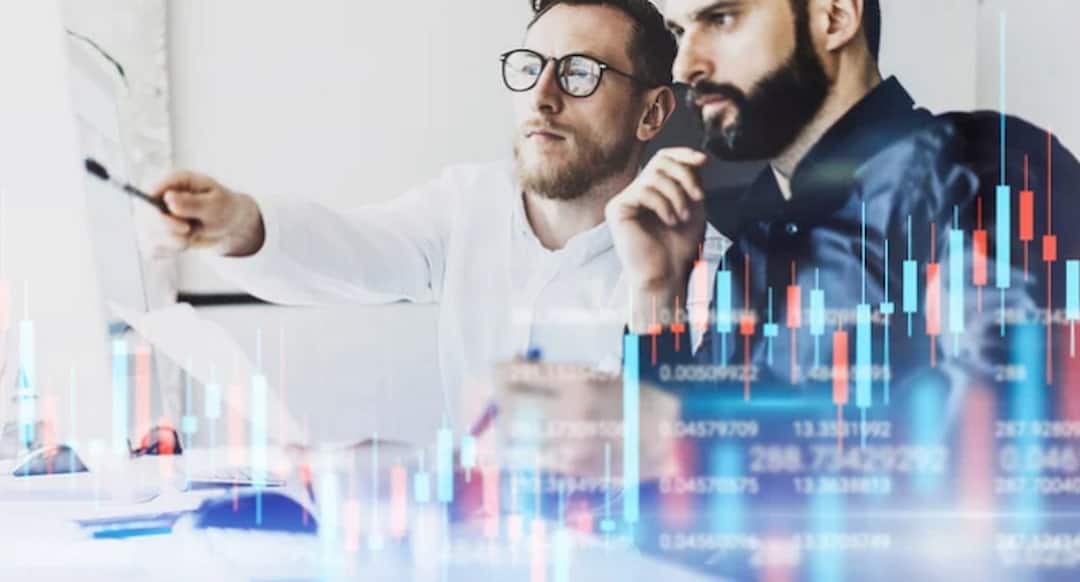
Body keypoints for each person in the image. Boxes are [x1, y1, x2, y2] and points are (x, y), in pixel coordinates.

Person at [522, 0, 1080, 478]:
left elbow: (1003, 472)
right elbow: (681, 500)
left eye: (722, 18)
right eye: (678, 31)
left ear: (834, 17)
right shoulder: (751, 252)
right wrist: (656, 293)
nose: (686, 64)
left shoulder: (983, 168)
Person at [145, 0, 715, 435]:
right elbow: (352, 248)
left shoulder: (702, 263)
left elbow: (696, 457)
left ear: (653, 112)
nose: (542, 96)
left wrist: (656, 298)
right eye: (529, 66)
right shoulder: (467, 203)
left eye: (580, 73)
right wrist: (240, 225)